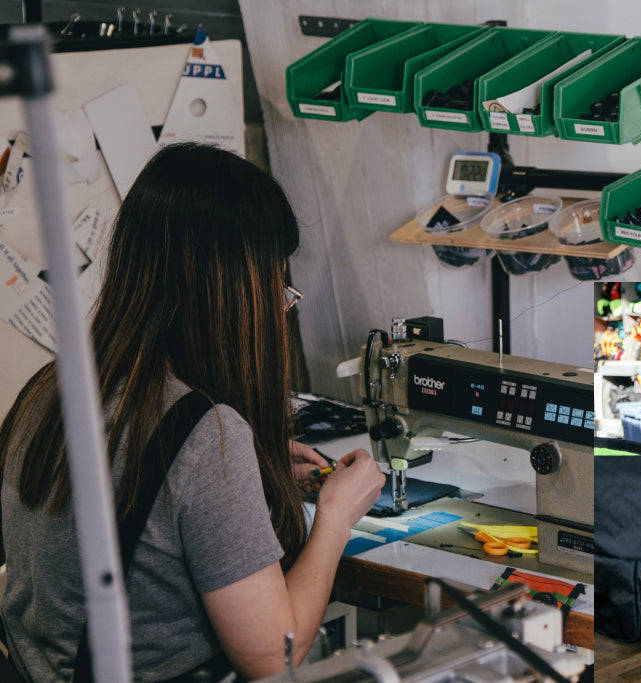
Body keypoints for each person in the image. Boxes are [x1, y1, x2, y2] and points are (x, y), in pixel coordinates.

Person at [0, 142, 386, 681]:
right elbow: (272, 657)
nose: (279, 308)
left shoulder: (47, 390)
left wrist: (244, 482)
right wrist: (336, 520)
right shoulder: (206, 435)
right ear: (231, 292)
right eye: (275, 288)